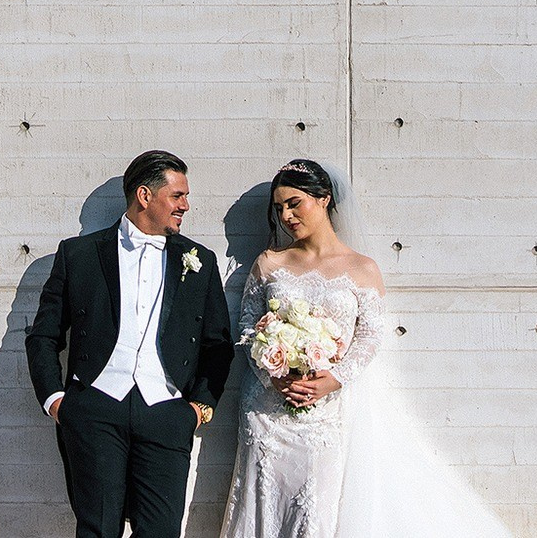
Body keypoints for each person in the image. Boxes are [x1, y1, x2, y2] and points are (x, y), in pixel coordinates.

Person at [219, 159, 515, 538]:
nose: (287, 215)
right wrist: (272, 375)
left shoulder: (362, 268)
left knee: (316, 507)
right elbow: (247, 327)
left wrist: (334, 379)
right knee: (263, 500)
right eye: (279, 208)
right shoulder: (269, 262)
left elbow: (370, 336)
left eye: (295, 203)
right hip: (267, 409)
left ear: (324, 199)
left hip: (328, 412)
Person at [27, 149, 236, 538]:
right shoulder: (79, 254)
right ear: (144, 195)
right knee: (97, 530)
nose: (186, 206)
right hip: (95, 408)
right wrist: (56, 400)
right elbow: (43, 334)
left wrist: (198, 410)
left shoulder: (199, 260)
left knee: (161, 531)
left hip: (167, 412)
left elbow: (218, 344)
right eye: (177, 196)